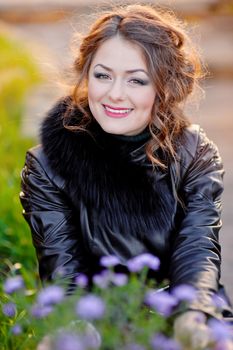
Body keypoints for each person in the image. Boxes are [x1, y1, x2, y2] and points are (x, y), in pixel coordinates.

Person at [20, 4, 233, 348]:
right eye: (103, 75)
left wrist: (194, 316)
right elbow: (63, 271)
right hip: (96, 317)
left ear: (163, 87)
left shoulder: (195, 153)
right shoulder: (47, 165)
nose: (115, 93)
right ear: (85, 76)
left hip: (186, 309)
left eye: (136, 79)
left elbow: (198, 247)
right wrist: (75, 327)